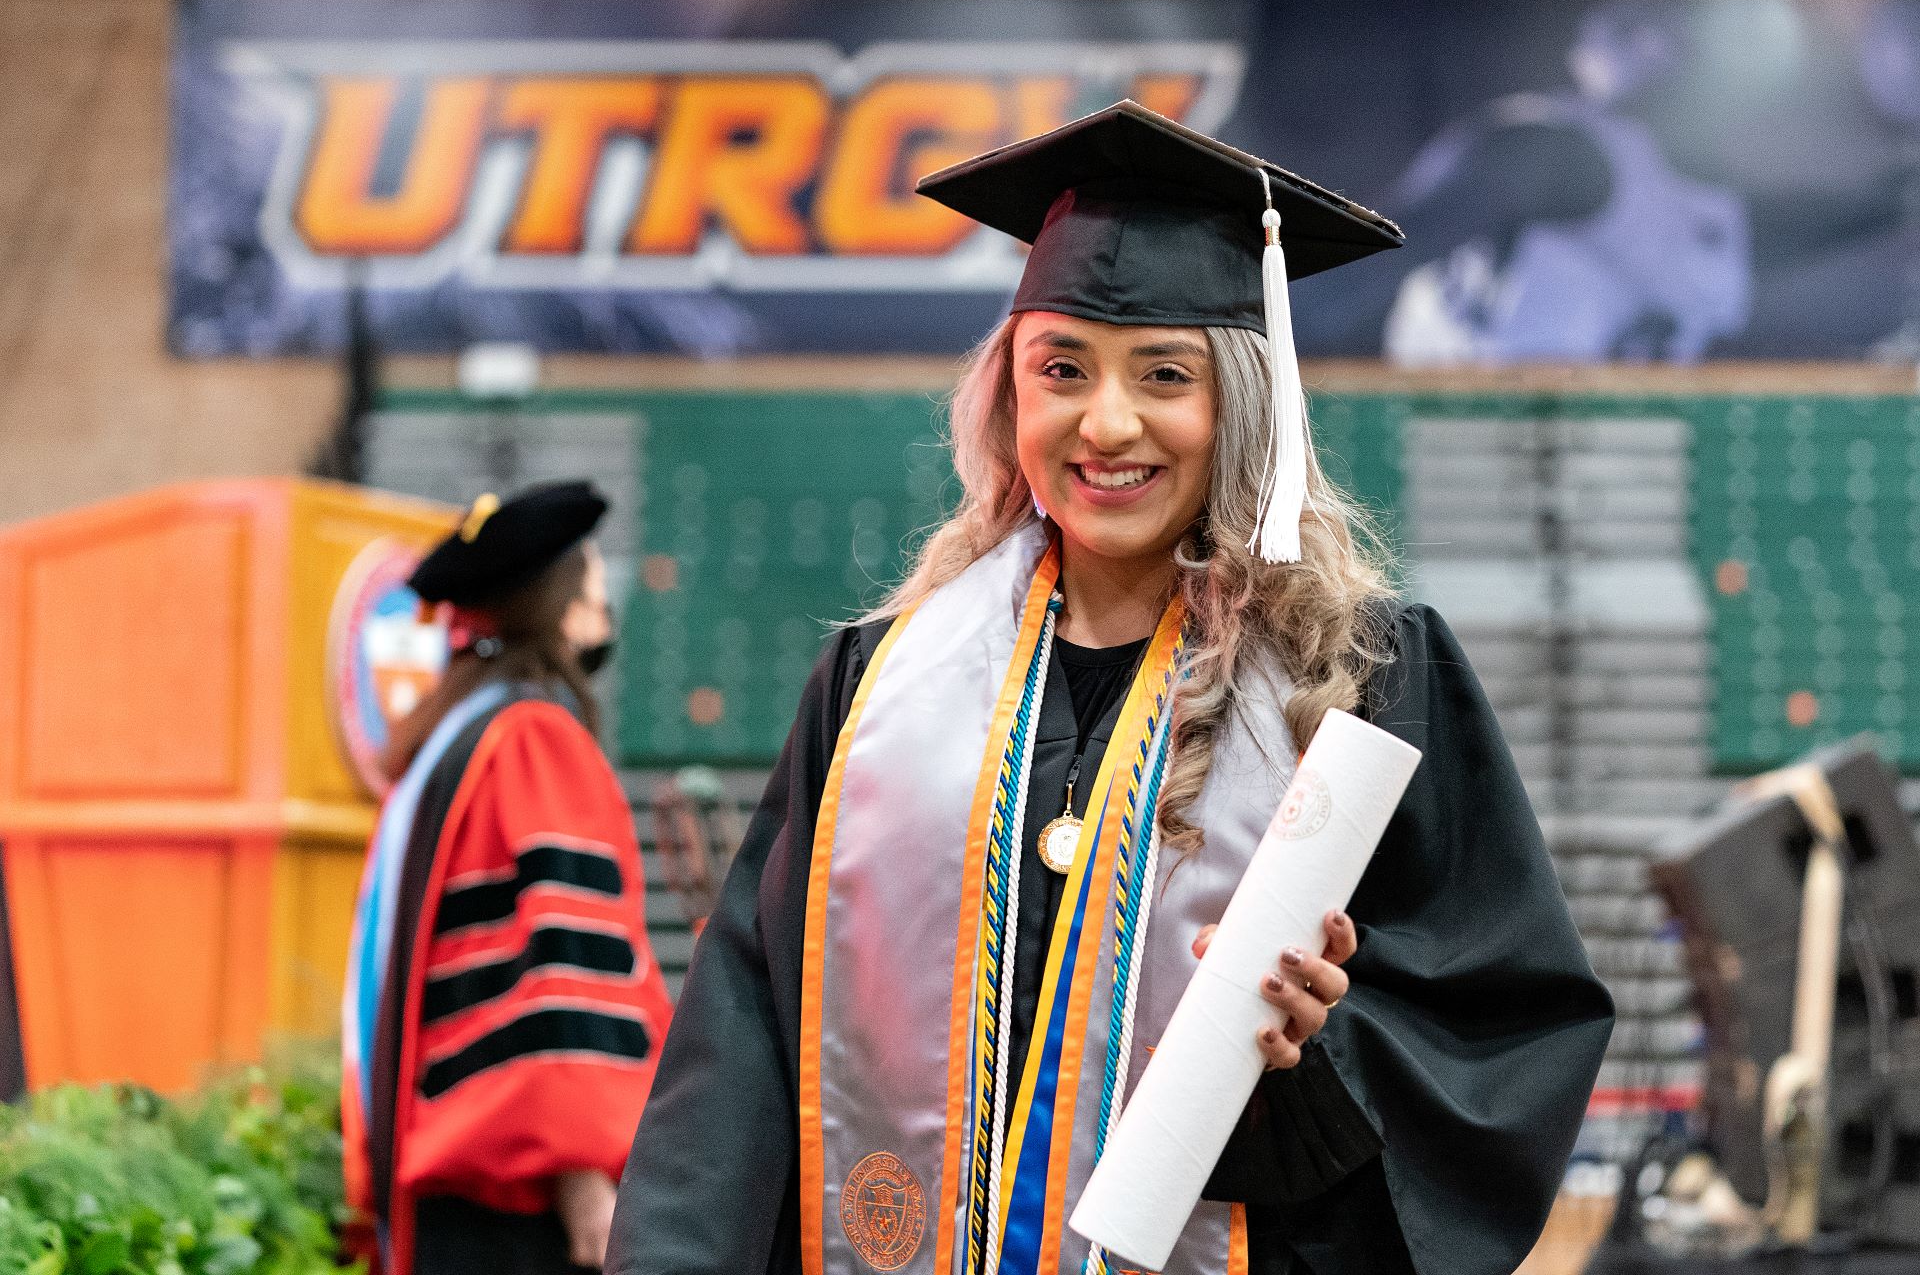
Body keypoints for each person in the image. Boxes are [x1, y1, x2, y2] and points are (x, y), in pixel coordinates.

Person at [608, 103, 1613, 1275]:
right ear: (1008, 396)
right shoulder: (879, 683)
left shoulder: (1364, 680)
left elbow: (1506, 1032)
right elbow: (749, 1038)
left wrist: (1325, 1049)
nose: (1109, 421)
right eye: (1063, 370)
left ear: (1242, 402)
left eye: (1165, 374)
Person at [342, 480, 673, 1275]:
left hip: (449, 1179)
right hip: (524, 1205)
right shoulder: (533, 741)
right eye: (592, 578)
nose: (604, 602)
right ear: (556, 603)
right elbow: (556, 974)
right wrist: (586, 1174)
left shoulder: (449, 742)